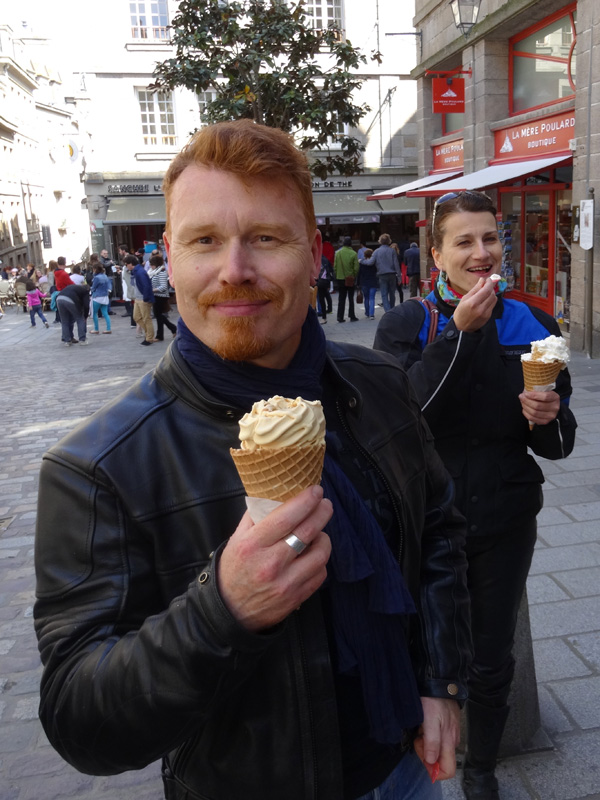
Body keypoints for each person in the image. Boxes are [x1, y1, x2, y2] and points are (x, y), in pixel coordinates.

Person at [34, 119, 471, 800]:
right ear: (169, 261)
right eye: (204, 241)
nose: (235, 270)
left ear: (314, 254)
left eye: (266, 238)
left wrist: (440, 681)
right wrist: (221, 611)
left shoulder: (379, 383)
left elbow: (439, 529)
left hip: (408, 768)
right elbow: (79, 720)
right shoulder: (99, 467)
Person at [373, 190, 577, 800]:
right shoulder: (409, 324)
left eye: (490, 238)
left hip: (506, 515)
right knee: (422, 652)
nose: (481, 252)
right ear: (436, 254)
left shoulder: (534, 324)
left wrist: (547, 417)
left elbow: (561, 445)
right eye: (464, 241)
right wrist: (459, 335)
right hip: (426, 520)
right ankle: (415, 761)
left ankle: (481, 770)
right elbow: (398, 423)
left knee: (491, 659)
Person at [361, 234, 401, 313]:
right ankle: (392, 307)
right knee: (392, 293)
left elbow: (370, 262)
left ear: (380, 241)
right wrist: (399, 277)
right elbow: (396, 264)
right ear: (389, 241)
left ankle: (388, 311)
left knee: (384, 294)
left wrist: (362, 261)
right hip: (392, 274)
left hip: (382, 275)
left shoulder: (376, 251)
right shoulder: (392, 251)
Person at [124, 254, 155, 345]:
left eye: (126, 264)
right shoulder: (136, 271)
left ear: (130, 264)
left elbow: (146, 285)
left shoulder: (140, 272)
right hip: (138, 298)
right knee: (136, 317)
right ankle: (148, 334)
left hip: (142, 299)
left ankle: (149, 338)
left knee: (146, 318)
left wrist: (146, 298)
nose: (126, 266)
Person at [148, 254, 176, 340]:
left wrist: (152, 290)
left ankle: (162, 334)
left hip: (161, 296)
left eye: (152, 264)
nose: (150, 266)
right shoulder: (154, 272)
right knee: (158, 315)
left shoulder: (162, 272)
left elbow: (163, 287)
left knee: (158, 316)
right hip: (157, 296)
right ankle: (172, 329)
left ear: (156, 264)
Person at [333, 236, 359, 323]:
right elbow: (356, 268)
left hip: (340, 278)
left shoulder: (337, 253)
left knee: (341, 298)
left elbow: (335, 267)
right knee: (351, 298)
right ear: (350, 244)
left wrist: (338, 274)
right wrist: (353, 275)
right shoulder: (353, 253)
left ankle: (340, 317)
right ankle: (352, 315)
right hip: (350, 278)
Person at [89, 262, 112, 335]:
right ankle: (108, 328)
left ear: (95, 269)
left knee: (94, 313)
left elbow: (93, 287)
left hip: (97, 297)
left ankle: (96, 329)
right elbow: (109, 284)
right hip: (105, 296)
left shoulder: (96, 278)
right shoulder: (105, 276)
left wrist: (89, 290)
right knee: (105, 313)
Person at [358, 248, 378, 319]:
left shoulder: (361, 263)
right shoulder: (374, 264)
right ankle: (372, 314)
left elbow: (359, 274)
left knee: (366, 298)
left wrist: (358, 283)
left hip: (364, 282)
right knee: (372, 298)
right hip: (373, 282)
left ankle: (367, 312)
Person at [316, 253, 333, 323]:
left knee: (321, 299)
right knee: (326, 295)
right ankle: (328, 309)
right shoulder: (325, 259)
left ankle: (324, 316)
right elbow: (331, 270)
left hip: (319, 281)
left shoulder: (316, 260)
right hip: (325, 281)